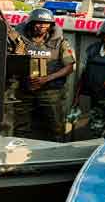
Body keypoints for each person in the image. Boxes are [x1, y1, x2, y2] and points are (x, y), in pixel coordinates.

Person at [11, 8, 75, 141]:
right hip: (24, 90)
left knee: (56, 126)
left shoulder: (60, 42)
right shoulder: (19, 41)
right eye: (38, 23)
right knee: (20, 127)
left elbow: (69, 67)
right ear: (31, 23)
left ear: (51, 25)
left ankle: (57, 152)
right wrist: (17, 56)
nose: (42, 26)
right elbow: (9, 64)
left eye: (45, 23)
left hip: (50, 92)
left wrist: (46, 79)